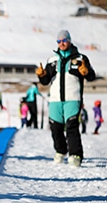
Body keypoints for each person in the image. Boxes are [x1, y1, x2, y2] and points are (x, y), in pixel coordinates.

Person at [36, 29, 96, 167]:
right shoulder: (52, 60)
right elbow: (45, 81)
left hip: (73, 98)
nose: (61, 43)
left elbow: (91, 76)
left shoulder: (81, 58)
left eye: (64, 40)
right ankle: (60, 151)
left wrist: (86, 72)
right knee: (55, 127)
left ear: (69, 40)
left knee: (72, 126)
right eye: (59, 41)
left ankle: (75, 155)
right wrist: (41, 75)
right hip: (55, 99)